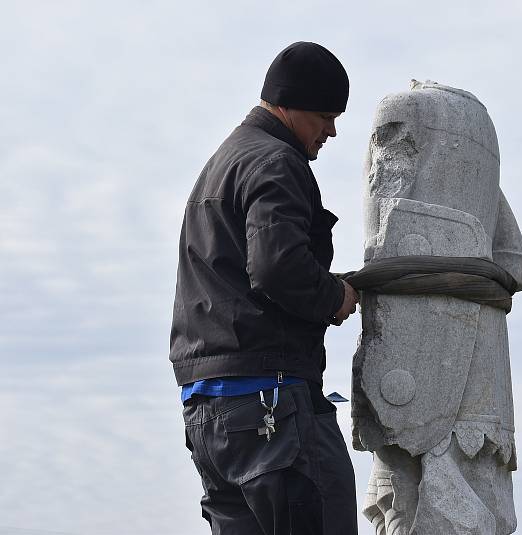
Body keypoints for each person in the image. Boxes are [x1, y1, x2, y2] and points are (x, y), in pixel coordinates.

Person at [169, 41, 359, 534]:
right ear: (288, 105)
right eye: (324, 115)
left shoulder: (221, 163)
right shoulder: (277, 161)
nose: (332, 130)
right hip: (270, 404)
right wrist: (335, 296)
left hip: (209, 411)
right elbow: (277, 266)